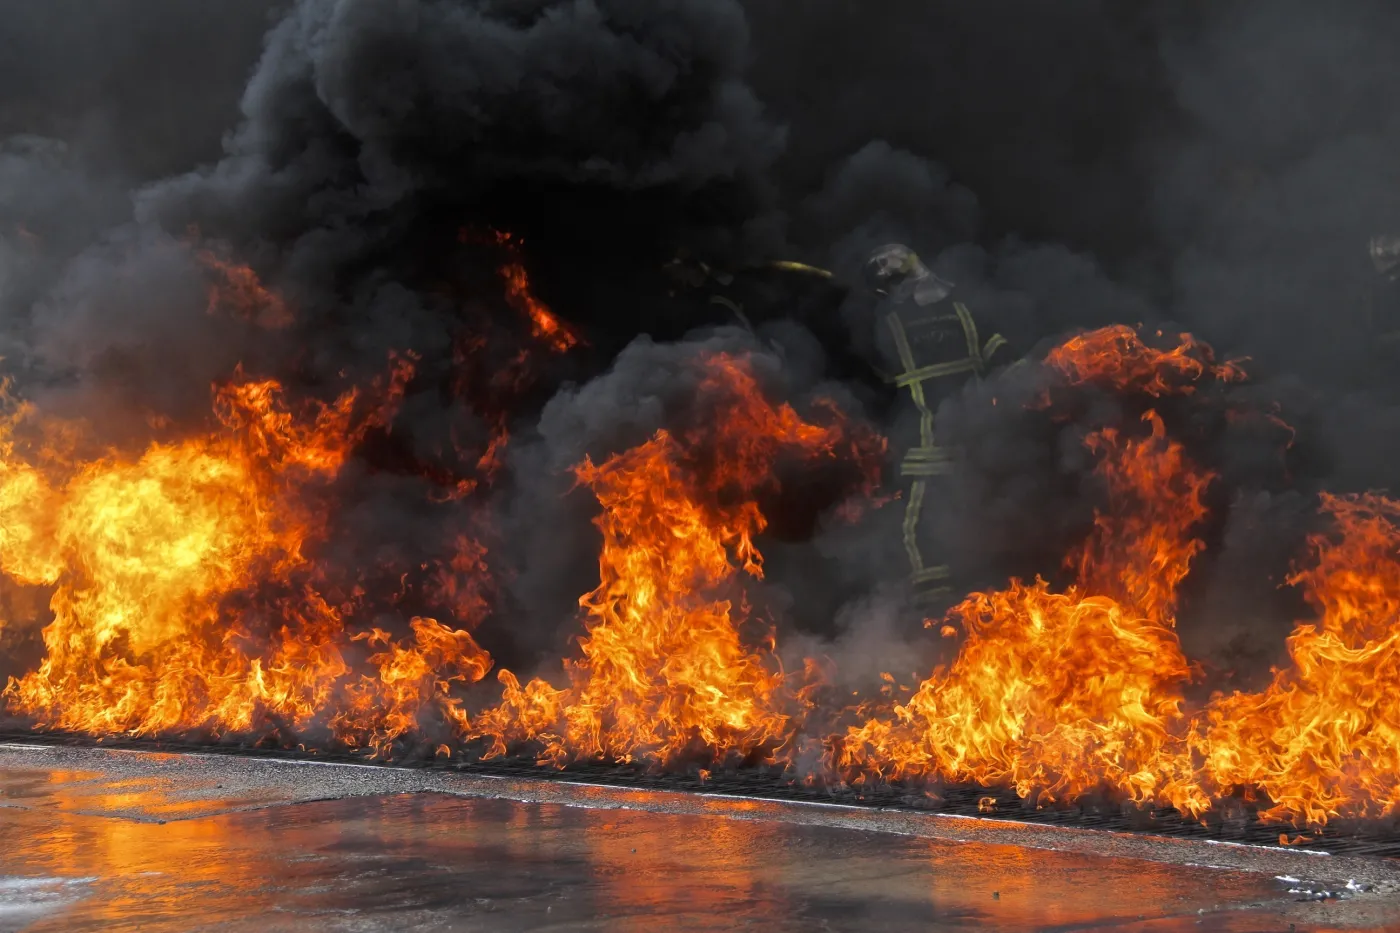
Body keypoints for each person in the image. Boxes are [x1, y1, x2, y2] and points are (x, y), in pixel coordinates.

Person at [863, 243, 1007, 608]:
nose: (884, 268)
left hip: (942, 440)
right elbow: (1007, 362)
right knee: (958, 524)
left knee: (915, 529)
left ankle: (938, 610)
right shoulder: (955, 311)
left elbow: (1002, 355)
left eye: (887, 262)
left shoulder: (901, 321)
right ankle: (965, 605)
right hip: (974, 439)